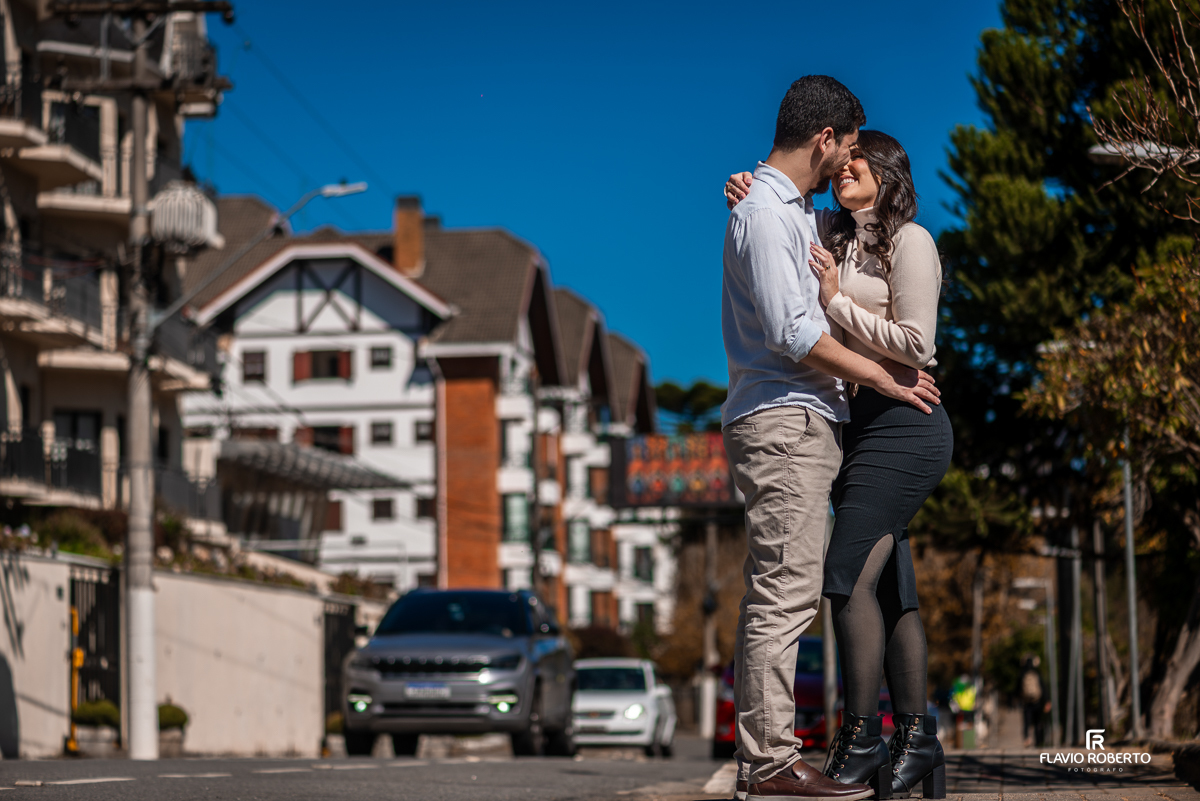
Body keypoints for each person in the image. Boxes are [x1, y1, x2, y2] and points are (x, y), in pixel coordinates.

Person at [721, 78, 940, 801]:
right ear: (824, 139)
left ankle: (898, 735)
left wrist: (881, 372)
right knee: (805, 590)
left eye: (859, 160)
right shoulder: (795, 222)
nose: (846, 161)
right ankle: (789, 755)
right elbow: (793, 329)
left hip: (880, 422)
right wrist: (880, 377)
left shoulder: (866, 234)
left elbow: (914, 340)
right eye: (845, 148)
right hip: (805, 416)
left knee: (864, 583)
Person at [1018, 655, 1047, 747]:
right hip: (1037, 702)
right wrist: (1047, 700)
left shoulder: (1022, 673)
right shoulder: (1037, 673)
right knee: (1038, 722)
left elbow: (1018, 688)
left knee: (1027, 722)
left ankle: (1027, 738)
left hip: (1026, 702)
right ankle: (1038, 741)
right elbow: (1043, 687)